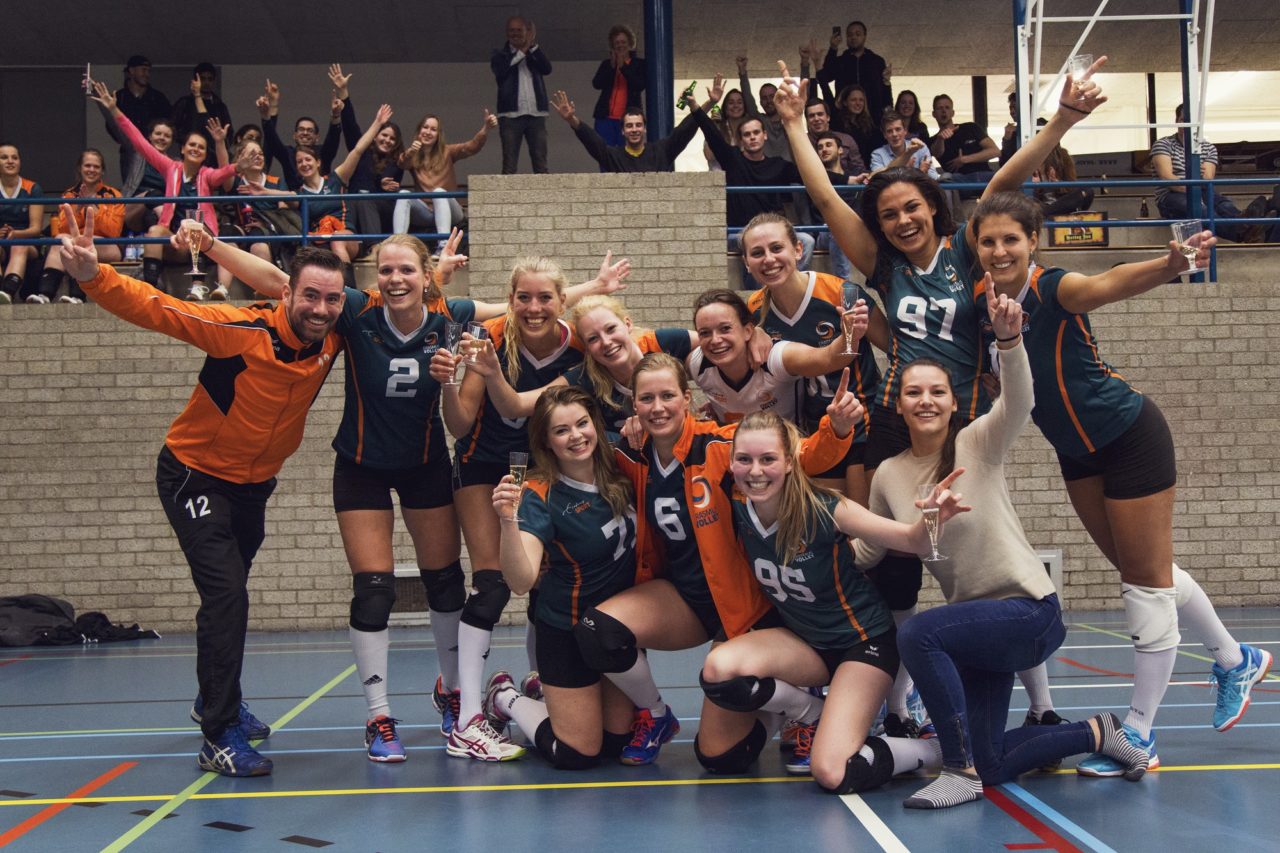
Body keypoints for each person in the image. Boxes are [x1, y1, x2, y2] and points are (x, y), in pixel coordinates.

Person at [775, 57, 1108, 736]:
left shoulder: (962, 252)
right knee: (895, 562)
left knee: (983, 552)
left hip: (962, 421)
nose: (901, 220)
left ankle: (1042, 705)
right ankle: (898, 706)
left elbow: (1004, 183)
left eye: (911, 207)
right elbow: (829, 202)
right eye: (889, 213)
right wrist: (794, 126)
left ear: (933, 206)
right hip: (897, 420)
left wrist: (1062, 121)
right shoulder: (884, 265)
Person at [971, 191, 1273, 774]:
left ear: (1032, 242)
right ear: (976, 248)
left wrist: (1170, 265)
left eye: (1011, 239)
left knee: (1144, 586)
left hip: (1129, 434)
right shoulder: (981, 305)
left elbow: (1106, 283)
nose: (1000, 250)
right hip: (1075, 452)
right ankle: (1235, 659)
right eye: (988, 241)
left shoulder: (1053, 288)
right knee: (1146, 571)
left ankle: (1139, 732)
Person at [56, 204, 348, 777]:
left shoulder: (334, 337)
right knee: (227, 595)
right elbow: (159, 308)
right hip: (195, 474)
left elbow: (406, 307)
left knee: (228, 595)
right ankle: (218, 733)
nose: (320, 309)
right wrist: (94, 275)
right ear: (287, 293)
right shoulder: (240, 330)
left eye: (331, 300)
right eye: (310, 296)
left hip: (254, 486)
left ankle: (217, 698)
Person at [856, 290, 1150, 808]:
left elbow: (1020, 402)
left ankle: (956, 771)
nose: (925, 401)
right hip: (974, 632)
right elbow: (868, 552)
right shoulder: (888, 475)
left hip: (1028, 613)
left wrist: (1010, 342)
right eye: (913, 392)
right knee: (989, 762)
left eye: (937, 392)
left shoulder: (977, 443)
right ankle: (1099, 732)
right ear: (897, 404)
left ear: (953, 402)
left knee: (918, 633)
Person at [576, 352, 860, 771]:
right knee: (597, 629)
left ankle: (803, 708)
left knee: (721, 757)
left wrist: (835, 429)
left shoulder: (718, 446)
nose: (657, 408)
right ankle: (656, 715)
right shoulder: (632, 456)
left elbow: (802, 457)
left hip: (741, 604)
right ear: (633, 405)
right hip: (684, 597)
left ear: (686, 398)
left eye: (667, 396)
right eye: (646, 399)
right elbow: (577, 464)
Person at [430, 254, 630, 761]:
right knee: (493, 581)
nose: (534, 307)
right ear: (510, 300)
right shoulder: (491, 337)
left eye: (545, 298)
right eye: (523, 298)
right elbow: (460, 424)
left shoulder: (581, 344)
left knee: (548, 579)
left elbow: (637, 348)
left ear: (562, 301)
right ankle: (468, 716)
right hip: (484, 464)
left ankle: (538, 680)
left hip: (540, 467)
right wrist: (449, 383)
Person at [700, 412, 965, 785]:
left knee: (832, 771)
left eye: (768, 459)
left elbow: (911, 540)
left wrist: (932, 517)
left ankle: (937, 748)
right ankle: (811, 712)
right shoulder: (737, 507)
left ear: (789, 462)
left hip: (862, 643)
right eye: (745, 459)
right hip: (806, 643)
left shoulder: (825, 508)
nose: (755, 471)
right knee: (719, 669)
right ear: (731, 463)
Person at [484, 387, 643, 768]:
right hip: (566, 630)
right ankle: (505, 697)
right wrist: (507, 521)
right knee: (578, 753)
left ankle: (545, 693)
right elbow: (521, 581)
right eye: (561, 430)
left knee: (618, 742)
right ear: (546, 441)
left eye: (582, 424)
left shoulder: (620, 456)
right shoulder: (539, 492)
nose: (576, 436)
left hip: (615, 628)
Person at [741, 213, 885, 504]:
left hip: (863, 419)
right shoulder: (754, 309)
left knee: (865, 516)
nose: (768, 259)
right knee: (827, 519)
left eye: (776, 248)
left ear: (798, 250)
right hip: (814, 429)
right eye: (757, 253)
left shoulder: (842, 292)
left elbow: (895, 348)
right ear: (746, 263)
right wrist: (753, 332)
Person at [93, 81, 234, 300]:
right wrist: (113, 109)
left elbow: (226, 174)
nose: (195, 149)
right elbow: (137, 140)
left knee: (196, 227)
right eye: (192, 145)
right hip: (175, 240)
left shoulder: (206, 175)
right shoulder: (171, 168)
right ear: (183, 149)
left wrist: (236, 162)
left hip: (200, 242)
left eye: (200, 147)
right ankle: (150, 290)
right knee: (155, 231)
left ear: (205, 155)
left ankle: (198, 286)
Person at [689, 76, 816, 287]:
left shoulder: (778, 165)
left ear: (765, 135)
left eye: (756, 132)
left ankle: (790, 287)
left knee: (807, 240)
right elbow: (712, 134)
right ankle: (757, 297)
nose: (752, 137)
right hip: (741, 232)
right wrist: (695, 106)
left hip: (773, 231)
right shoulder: (733, 159)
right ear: (741, 140)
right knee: (756, 247)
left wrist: (850, 178)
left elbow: (809, 174)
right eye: (747, 134)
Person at [688, 288, 862, 425]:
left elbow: (829, 358)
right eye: (705, 333)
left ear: (748, 331)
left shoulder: (775, 358)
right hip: (734, 453)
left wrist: (851, 334)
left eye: (725, 329)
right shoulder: (697, 364)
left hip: (789, 452)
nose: (715, 340)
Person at [293, 103, 396, 269]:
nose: (304, 164)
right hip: (320, 241)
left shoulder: (335, 179)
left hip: (345, 238)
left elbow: (357, 150)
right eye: (299, 162)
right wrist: (263, 191)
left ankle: (348, 285)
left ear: (318, 162)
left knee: (337, 241)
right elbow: (280, 196)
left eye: (308, 160)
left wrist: (378, 123)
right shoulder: (300, 193)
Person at [1150, 104, 1267, 243]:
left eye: (1192, 121)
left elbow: (1207, 179)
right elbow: (1168, 179)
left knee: (1223, 204)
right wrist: (1194, 175)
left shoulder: (1208, 147)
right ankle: (1242, 232)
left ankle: (1246, 226)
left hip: (1200, 191)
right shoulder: (1163, 144)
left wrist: (1191, 180)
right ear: (1177, 121)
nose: (1187, 125)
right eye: (1183, 120)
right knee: (1195, 205)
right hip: (1170, 198)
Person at [32, 150, 124, 304]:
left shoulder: (114, 195)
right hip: (75, 242)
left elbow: (112, 231)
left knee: (82, 243)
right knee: (61, 239)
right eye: (87, 165)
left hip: (108, 246)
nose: (91, 170)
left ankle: (78, 296)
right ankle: (45, 294)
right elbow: (62, 229)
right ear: (80, 168)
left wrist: (91, 206)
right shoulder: (69, 195)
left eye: (96, 166)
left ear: (102, 171)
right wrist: (78, 207)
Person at [394, 110, 495, 238]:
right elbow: (402, 164)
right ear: (419, 131)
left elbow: (471, 147)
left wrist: (486, 128)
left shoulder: (447, 151)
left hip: (451, 211)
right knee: (403, 194)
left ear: (438, 135)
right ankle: (398, 242)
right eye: (425, 127)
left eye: (433, 129)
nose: (428, 132)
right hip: (426, 212)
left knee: (438, 192)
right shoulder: (412, 155)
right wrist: (410, 153)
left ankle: (443, 244)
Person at [551, 91, 704, 173]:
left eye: (638, 125)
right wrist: (571, 119)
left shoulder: (660, 151)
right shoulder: (613, 157)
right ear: (623, 131)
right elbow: (591, 140)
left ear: (645, 129)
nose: (634, 129)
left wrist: (707, 103)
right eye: (629, 126)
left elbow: (683, 132)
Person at [492, 16, 552, 175]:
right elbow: (502, 71)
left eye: (519, 30)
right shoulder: (500, 54)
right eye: (512, 30)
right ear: (506, 33)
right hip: (510, 116)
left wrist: (532, 47)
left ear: (527, 32)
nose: (515, 33)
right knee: (509, 165)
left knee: (541, 164)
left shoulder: (534, 52)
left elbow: (547, 69)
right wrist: (525, 48)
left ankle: (544, 191)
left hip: (536, 114)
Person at [258, 77, 343, 185]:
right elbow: (272, 139)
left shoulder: (323, 153)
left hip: (321, 195)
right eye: (301, 129)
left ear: (317, 137)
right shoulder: (288, 154)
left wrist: (336, 116)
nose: (305, 133)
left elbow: (333, 138)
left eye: (310, 130)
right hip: (294, 195)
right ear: (294, 135)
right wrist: (269, 111)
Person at [103, 55, 171, 180]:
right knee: (131, 187)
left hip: (154, 152)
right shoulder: (120, 97)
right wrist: (124, 140)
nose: (147, 74)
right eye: (143, 70)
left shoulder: (157, 98)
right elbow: (111, 124)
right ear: (131, 71)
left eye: (148, 71)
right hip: (129, 152)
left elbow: (168, 122)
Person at [808, 132, 864, 282]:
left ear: (840, 150)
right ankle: (844, 283)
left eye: (828, 145)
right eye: (820, 147)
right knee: (836, 225)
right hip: (826, 232)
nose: (824, 150)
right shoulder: (814, 178)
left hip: (853, 231)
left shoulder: (856, 176)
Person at [818, 21, 893, 119]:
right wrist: (833, 49)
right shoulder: (841, 61)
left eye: (858, 34)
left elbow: (883, 88)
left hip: (872, 117)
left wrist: (886, 111)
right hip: (845, 117)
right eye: (850, 35)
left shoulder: (876, 61)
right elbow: (827, 76)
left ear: (864, 37)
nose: (853, 37)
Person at [0, 143, 44, 304]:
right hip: (1, 241)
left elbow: (36, 228)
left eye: (14, 157)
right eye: (4, 157)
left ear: (20, 162)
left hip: (27, 241)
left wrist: (16, 234)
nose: (10, 161)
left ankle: (7, 293)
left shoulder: (32, 188)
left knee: (19, 245)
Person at [590, 25, 646, 147]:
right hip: (605, 118)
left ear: (630, 44)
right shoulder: (607, 64)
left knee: (626, 153)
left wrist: (623, 67)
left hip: (628, 119)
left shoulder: (639, 64)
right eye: (617, 43)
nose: (620, 45)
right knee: (604, 152)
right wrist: (612, 67)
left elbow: (639, 85)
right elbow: (596, 84)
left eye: (623, 42)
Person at [929, 95, 999, 191]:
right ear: (934, 114)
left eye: (947, 107)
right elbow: (937, 153)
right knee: (946, 179)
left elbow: (995, 151)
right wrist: (940, 139)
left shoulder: (970, 127)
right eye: (939, 108)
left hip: (984, 176)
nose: (944, 111)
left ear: (953, 113)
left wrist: (965, 159)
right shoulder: (934, 140)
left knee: (1005, 178)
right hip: (958, 181)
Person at [119, 117, 176, 234]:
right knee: (154, 195)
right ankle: (169, 230)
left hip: (158, 210)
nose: (162, 138)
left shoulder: (174, 165)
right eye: (158, 133)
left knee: (151, 217)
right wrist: (112, 109)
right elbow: (122, 130)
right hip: (134, 207)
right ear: (150, 136)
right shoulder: (136, 155)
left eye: (167, 136)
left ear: (171, 141)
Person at [170, 63, 233, 168]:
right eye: (203, 79)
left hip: (214, 158)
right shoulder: (184, 103)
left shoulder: (219, 106)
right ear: (195, 81)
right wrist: (186, 140)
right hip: (190, 154)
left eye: (210, 79)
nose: (206, 82)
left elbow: (229, 132)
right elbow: (173, 128)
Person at [869, 111, 938, 179]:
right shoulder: (878, 154)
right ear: (884, 135)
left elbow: (934, 177)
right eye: (889, 131)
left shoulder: (919, 147)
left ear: (905, 131)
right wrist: (913, 171)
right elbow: (877, 179)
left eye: (898, 129)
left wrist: (921, 173)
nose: (894, 134)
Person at [804, 100, 864, 177]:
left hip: (846, 182)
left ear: (828, 117)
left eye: (820, 114)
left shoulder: (847, 140)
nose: (816, 118)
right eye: (811, 116)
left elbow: (859, 169)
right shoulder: (801, 143)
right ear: (807, 120)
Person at [833, 85, 883, 168]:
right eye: (853, 100)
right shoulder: (837, 124)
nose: (858, 103)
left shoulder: (868, 124)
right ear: (845, 102)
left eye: (861, 100)